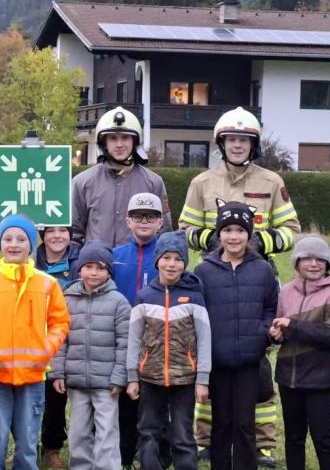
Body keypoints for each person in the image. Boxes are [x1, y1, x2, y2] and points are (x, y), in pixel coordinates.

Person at [180, 107, 299, 466]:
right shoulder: (202, 183)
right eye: (231, 139)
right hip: (213, 278)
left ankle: (261, 444)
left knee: (257, 369)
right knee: (210, 361)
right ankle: (206, 440)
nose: (237, 145)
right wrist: (216, 243)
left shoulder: (272, 182)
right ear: (221, 143)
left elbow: (292, 232)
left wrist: (258, 244)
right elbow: (185, 229)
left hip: (257, 280)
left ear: (253, 144)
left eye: (243, 140)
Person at [0, 214, 70, 470]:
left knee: (27, 437)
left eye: (21, 239)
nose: (14, 244)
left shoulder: (48, 284)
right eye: (8, 238)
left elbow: (60, 322)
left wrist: (47, 348)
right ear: (1, 244)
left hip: (33, 376)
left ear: (31, 245)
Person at [194, 200, 277, 470]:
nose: (233, 236)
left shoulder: (262, 269)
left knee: (244, 424)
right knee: (221, 424)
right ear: (219, 234)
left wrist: (262, 334)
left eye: (240, 230)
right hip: (217, 361)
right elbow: (198, 314)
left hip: (249, 362)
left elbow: (270, 307)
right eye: (227, 230)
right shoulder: (204, 271)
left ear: (248, 234)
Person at [126, 230, 211, 470]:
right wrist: (133, 375)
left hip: (185, 379)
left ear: (185, 263)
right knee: (148, 431)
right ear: (157, 261)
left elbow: (204, 339)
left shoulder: (194, 297)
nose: (171, 264)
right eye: (166, 258)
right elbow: (134, 339)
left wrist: (202, 378)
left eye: (178, 259)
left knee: (183, 434)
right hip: (150, 378)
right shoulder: (144, 297)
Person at [50, 242, 130, 470]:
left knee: (107, 430)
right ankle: (80, 466)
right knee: (78, 430)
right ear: (79, 269)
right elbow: (59, 339)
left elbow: (124, 343)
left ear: (109, 272)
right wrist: (57, 372)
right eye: (89, 267)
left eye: (100, 268)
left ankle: (107, 466)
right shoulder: (67, 300)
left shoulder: (119, 303)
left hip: (107, 384)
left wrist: (119, 377)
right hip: (76, 381)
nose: (94, 273)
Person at [269, 235, 330, 470]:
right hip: (288, 377)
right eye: (307, 258)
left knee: (323, 439)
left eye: (320, 260)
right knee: (293, 438)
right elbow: (278, 327)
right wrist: (275, 334)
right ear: (296, 262)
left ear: (327, 265)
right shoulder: (286, 293)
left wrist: (292, 326)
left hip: (320, 378)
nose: (314, 264)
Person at [111, 192, 165, 468]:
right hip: (122, 339)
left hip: (158, 341)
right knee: (124, 403)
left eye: (151, 216)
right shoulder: (116, 255)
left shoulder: (167, 256)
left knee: (154, 403)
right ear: (128, 221)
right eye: (138, 216)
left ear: (160, 222)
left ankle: (155, 455)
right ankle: (123, 454)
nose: (144, 221)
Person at [71, 106, 172, 247]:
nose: (119, 144)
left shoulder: (153, 182)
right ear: (104, 142)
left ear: (134, 142)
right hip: (96, 266)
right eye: (113, 138)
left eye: (125, 138)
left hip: (139, 266)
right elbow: (74, 233)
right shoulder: (82, 182)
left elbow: (164, 232)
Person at [35, 225, 81, 469]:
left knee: (56, 396)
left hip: (68, 337)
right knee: (31, 396)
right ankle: (27, 446)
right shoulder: (31, 259)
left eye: (63, 231)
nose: (57, 236)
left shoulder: (80, 261)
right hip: (33, 336)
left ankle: (52, 448)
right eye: (50, 231)